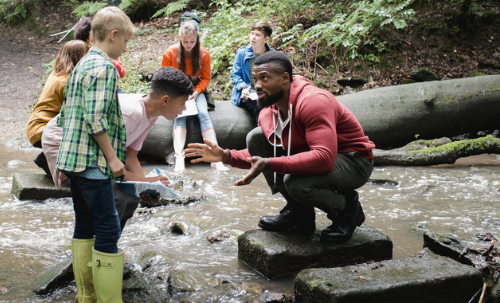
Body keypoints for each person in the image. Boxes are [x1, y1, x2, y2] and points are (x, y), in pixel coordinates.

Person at [184, 51, 376, 245]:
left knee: (295, 182)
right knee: (256, 138)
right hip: (318, 156)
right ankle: (299, 213)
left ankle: (347, 209)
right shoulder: (269, 110)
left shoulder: (313, 102)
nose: (257, 85)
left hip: (354, 161)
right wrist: (225, 156)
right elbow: (259, 154)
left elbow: (324, 158)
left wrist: (270, 163)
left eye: (264, 78)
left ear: (285, 79)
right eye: (255, 79)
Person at [55, 6, 153, 303]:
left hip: (74, 161)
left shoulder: (82, 64)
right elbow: (94, 118)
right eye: (125, 40)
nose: (126, 46)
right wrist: (113, 158)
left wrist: (62, 161)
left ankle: (86, 302)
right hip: (92, 162)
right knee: (108, 227)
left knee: (84, 226)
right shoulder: (105, 68)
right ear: (113, 35)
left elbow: (67, 114)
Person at [41, 67, 193, 228]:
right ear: (165, 100)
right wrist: (145, 181)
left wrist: (147, 187)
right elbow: (106, 163)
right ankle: (102, 244)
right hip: (63, 140)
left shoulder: (150, 117)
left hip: (95, 150)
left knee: (132, 196)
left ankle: (104, 244)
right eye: (183, 103)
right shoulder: (131, 113)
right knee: (116, 197)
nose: (184, 109)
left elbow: (130, 156)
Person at [161, 14, 227, 172]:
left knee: (203, 113)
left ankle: (215, 157)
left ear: (197, 39)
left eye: (192, 41)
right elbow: (164, 75)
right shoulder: (170, 53)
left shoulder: (204, 54)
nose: (188, 45)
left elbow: (205, 78)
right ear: (179, 37)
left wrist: (196, 93)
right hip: (176, 92)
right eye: (185, 41)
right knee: (180, 116)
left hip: (196, 91)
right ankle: (179, 158)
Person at [26, 40, 89, 175]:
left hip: (36, 127)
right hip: (43, 129)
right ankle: (50, 162)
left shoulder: (57, 75)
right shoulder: (67, 81)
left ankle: (48, 158)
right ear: (79, 57)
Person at [231, 21, 274, 121]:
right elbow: (235, 75)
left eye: (258, 35)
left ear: (266, 39)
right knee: (260, 106)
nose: (253, 37)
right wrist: (243, 88)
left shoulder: (272, 55)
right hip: (247, 91)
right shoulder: (242, 53)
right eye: (252, 33)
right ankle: (262, 134)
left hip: (265, 91)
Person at [74, 16, 126, 87]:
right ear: (88, 41)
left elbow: (122, 73)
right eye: (93, 41)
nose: (96, 44)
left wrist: (109, 60)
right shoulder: (85, 56)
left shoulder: (110, 52)